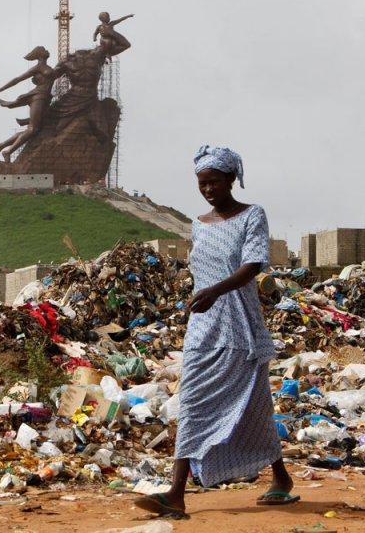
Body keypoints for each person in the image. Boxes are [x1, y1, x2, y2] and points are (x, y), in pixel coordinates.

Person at [134, 146, 297, 518]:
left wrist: (215, 291)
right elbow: (200, 273)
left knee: (253, 406)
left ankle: (178, 493)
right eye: (201, 183)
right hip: (203, 326)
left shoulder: (251, 216)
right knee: (193, 400)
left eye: (214, 182)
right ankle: (277, 479)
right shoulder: (198, 223)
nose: (208, 190)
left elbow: (253, 265)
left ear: (231, 180)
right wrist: (203, 296)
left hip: (239, 325)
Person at [0, 45, 57, 161]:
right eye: (43, 50)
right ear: (39, 54)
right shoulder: (38, 67)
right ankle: (8, 152)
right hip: (38, 96)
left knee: (34, 130)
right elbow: (17, 79)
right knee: (33, 129)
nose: (47, 50)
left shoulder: (48, 67)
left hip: (45, 99)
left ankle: (1, 145)